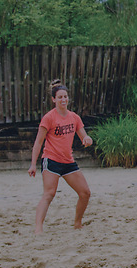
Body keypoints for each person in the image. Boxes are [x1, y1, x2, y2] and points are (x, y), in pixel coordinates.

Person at [28, 80, 93, 234]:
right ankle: (38, 228)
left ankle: (77, 224)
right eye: (60, 97)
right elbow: (38, 143)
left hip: (68, 161)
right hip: (51, 160)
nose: (63, 100)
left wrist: (87, 140)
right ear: (54, 100)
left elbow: (84, 136)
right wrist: (32, 164)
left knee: (85, 193)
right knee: (49, 194)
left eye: (65, 97)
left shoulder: (74, 117)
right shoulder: (49, 118)